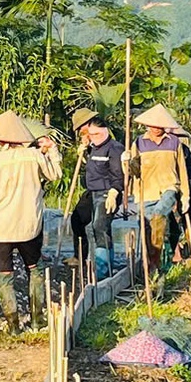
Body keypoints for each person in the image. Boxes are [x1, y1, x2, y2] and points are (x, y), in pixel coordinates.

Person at [0, 111, 63, 332]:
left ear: (1, 140)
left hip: (1, 226)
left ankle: (13, 325)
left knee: (4, 275)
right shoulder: (34, 156)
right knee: (34, 269)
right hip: (29, 225)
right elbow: (55, 175)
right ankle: (37, 318)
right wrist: (53, 151)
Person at [129, 103, 191, 274]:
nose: (156, 128)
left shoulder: (174, 142)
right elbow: (133, 173)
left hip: (169, 187)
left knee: (159, 215)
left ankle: (154, 261)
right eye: (152, 125)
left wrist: (185, 196)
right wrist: (128, 162)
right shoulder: (139, 143)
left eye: (159, 125)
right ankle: (155, 264)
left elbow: (182, 170)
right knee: (148, 229)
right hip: (146, 191)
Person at [68, 105, 125, 270]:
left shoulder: (113, 147)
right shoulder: (92, 145)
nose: (81, 132)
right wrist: (85, 153)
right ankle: (80, 256)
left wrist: (114, 192)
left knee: (100, 226)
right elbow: (93, 167)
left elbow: (117, 174)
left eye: (82, 128)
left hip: (107, 191)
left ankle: (103, 267)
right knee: (77, 219)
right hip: (92, 191)